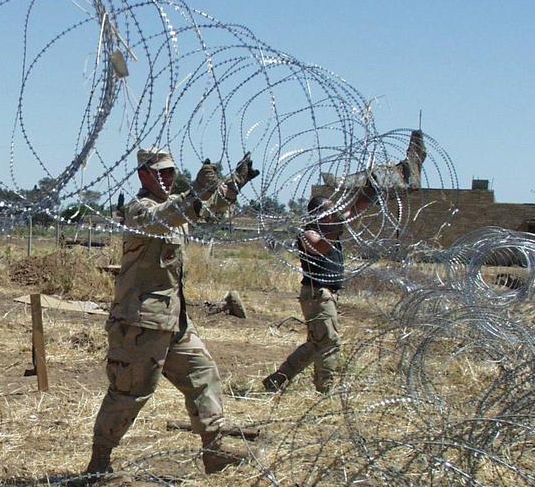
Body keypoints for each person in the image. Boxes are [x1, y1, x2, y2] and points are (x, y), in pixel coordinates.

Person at [85, 148, 260, 476]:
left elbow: (207, 209)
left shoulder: (178, 206)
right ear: (143, 175)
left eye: (170, 172)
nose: (167, 177)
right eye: (160, 172)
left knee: (203, 374)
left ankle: (214, 449)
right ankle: (98, 464)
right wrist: (196, 192)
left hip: (173, 319)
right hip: (141, 322)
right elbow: (166, 216)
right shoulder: (140, 211)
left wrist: (235, 182)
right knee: (129, 393)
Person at [263, 130, 426, 394]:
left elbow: (356, 208)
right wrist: (338, 228)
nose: (335, 212)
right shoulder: (309, 232)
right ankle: (324, 390)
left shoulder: (332, 226)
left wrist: (375, 188)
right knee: (329, 343)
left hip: (328, 295)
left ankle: (277, 380)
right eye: (329, 210)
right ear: (317, 213)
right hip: (317, 295)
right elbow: (319, 248)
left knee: (317, 344)